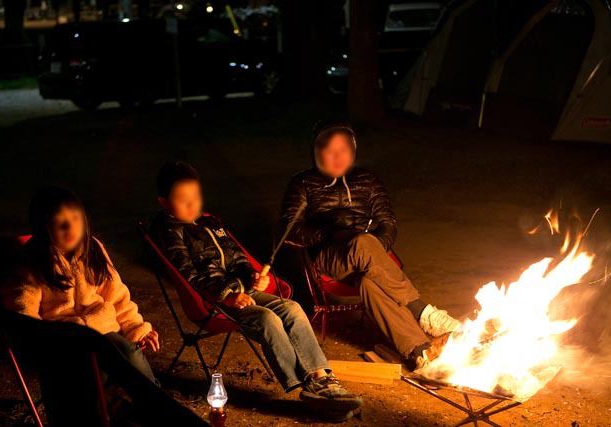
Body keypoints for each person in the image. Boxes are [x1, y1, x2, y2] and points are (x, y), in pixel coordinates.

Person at [151, 161, 363, 419]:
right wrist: (226, 297)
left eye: (195, 197)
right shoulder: (172, 233)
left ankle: (321, 377)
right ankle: (306, 385)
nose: (192, 204)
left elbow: (237, 257)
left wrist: (251, 277)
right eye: (182, 200)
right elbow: (188, 276)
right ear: (164, 202)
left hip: (242, 291)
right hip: (214, 301)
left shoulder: (211, 223)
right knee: (267, 318)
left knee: (292, 308)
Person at [280, 121, 461, 369]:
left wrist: (374, 251)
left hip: (368, 255)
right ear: (317, 151)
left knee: (368, 280)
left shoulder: (367, 180)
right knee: (363, 243)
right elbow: (289, 229)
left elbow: (388, 223)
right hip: (329, 257)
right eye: (330, 150)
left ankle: (420, 351)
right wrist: (332, 233)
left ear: (353, 150)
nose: (337, 156)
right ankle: (424, 314)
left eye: (343, 149)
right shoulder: (303, 183)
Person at [1, 186, 160, 385]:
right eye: (60, 222)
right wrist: (45, 348)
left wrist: (137, 328)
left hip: (102, 328)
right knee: (98, 372)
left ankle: (154, 404)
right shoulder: (33, 262)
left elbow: (116, 295)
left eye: (76, 218)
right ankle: (102, 412)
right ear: (43, 226)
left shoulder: (93, 249)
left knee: (129, 352)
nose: (70, 228)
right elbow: (23, 315)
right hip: (64, 340)